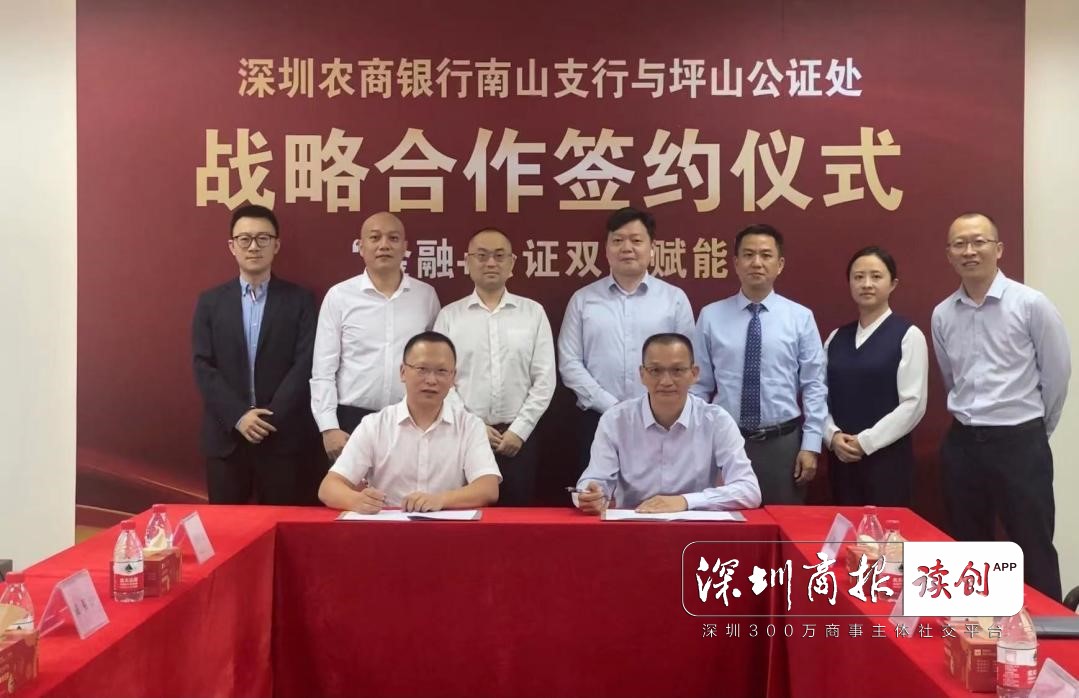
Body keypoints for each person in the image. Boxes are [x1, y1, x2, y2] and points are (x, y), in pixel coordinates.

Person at [932, 212, 1070, 600]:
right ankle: (977, 627)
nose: (969, 251)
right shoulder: (943, 314)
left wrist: (1034, 430)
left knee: (1033, 545)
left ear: (999, 249)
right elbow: (951, 377)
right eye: (960, 244)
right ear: (949, 254)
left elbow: (1057, 374)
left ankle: (1047, 633)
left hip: (1019, 442)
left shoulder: (1031, 304)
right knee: (969, 548)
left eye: (979, 241)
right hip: (963, 443)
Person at [192, 205, 320, 504]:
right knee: (225, 527)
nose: (253, 247)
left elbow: (305, 364)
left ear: (276, 245)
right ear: (232, 246)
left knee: (283, 524)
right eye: (245, 239)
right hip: (226, 437)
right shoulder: (210, 302)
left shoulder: (300, 300)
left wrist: (268, 419)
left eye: (263, 238)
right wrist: (238, 415)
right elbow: (203, 365)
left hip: (282, 438)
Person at [692, 223, 827, 504]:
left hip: (783, 444)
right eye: (748, 255)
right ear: (735, 263)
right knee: (727, 523)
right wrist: (699, 441)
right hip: (726, 441)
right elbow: (698, 386)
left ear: (780, 264)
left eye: (766, 255)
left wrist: (811, 444)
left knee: (784, 524)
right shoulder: (711, 316)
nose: (756, 263)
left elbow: (814, 385)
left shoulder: (800, 318)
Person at [558, 207, 695, 474]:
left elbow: (687, 362)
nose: (627, 248)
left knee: (660, 492)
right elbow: (569, 362)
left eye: (636, 240)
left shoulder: (674, 299)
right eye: (618, 240)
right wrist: (611, 407)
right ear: (606, 249)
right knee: (598, 492)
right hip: (598, 419)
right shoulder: (583, 300)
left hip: (662, 419)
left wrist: (653, 408)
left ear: (652, 248)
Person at [434, 228, 555, 506]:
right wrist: (474, 426)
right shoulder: (449, 316)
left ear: (512, 263)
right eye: (482, 256)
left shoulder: (533, 313)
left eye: (499, 256)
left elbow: (545, 379)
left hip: (519, 439)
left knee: (517, 520)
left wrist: (520, 430)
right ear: (467, 262)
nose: (491, 263)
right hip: (463, 435)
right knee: (464, 516)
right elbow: (441, 380)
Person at [575, 333, 760, 514]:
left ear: (694, 374)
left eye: (677, 370)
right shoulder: (616, 421)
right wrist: (591, 495)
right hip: (634, 523)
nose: (666, 381)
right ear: (642, 374)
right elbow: (594, 481)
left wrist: (685, 501)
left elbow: (749, 490)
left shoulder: (716, 421)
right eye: (655, 371)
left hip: (696, 526)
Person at [318, 332, 502, 513]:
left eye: (441, 371)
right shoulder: (374, 425)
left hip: (447, 528)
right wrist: (357, 501)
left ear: (453, 377)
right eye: (422, 369)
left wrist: (440, 500)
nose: (431, 380)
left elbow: (488, 488)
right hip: (387, 527)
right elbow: (329, 487)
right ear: (403, 372)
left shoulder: (470, 426)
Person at [310, 211, 440, 463]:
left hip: (411, 418)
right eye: (375, 237)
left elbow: (437, 362)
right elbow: (323, 370)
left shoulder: (425, 296)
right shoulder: (339, 296)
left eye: (393, 238)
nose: (384, 245)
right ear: (361, 247)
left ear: (405, 247)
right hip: (351, 420)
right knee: (352, 489)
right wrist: (329, 427)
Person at [823, 246, 928, 506]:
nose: (866, 284)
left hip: (887, 459)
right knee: (845, 527)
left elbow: (913, 404)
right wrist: (832, 436)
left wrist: (866, 442)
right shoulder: (836, 338)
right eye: (858, 277)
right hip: (841, 458)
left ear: (893, 284)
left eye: (876, 276)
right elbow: (819, 395)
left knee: (886, 529)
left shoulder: (908, 335)